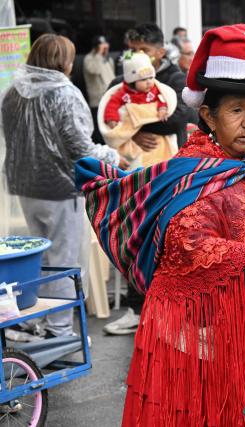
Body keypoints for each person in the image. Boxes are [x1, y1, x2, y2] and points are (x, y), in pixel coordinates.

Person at [77, 24, 245, 425]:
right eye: (237, 110)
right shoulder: (192, 178)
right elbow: (187, 245)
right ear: (208, 115)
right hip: (213, 345)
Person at [1, 34, 123, 338]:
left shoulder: (13, 91)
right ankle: (59, 329)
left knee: (36, 258)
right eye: (69, 57)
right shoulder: (64, 94)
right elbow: (80, 148)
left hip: (25, 187)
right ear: (62, 61)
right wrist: (112, 154)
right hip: (60, 191)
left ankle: (32, 318)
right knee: (64, 261)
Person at [102, 23, 191, 335]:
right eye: (131, 49)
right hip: (134, 174)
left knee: (169, 237)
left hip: (169, 174)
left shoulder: (174, 79)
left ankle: (172, 307)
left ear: (160, 53)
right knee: (134, 234)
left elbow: (183, 116)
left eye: (142, 50)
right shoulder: (119, 82)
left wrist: (142, 121)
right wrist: (133, 132)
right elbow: (105, 120)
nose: (135, 55)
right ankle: (136, 308)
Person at [100, 52, 178, 169]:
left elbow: (163, 98)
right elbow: (112, 104)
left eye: (151, 78)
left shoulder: (155, 90)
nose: (148, 82)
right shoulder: (123, 94)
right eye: (143, 79)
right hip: (133, 139)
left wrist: (162, 108)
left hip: (157, 135)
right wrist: (112, 118)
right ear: (132, 82)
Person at [83, 35, 115, 145]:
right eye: (101, 46)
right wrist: (98, 54)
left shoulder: (108, 59)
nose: (105, 47)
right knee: (99, 130)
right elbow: (94, 70)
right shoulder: (89, 58)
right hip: (97, 100)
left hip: (110, 98)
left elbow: (112, 77)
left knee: (110, 127)